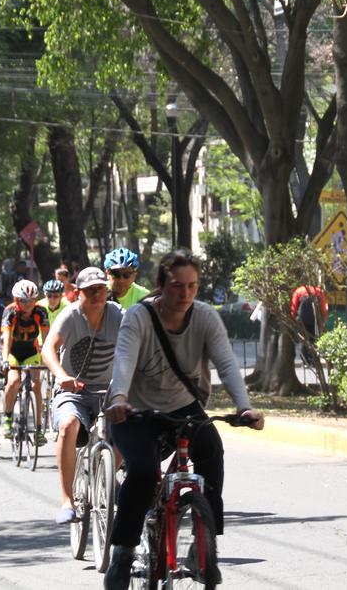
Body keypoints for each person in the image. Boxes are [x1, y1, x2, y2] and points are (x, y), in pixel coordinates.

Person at [103, 249, 264, 590]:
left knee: (212, 452)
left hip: (183, 407)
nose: (186, 294)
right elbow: (123, 362)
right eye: (177, 286)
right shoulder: (138, 317)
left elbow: (227, 363)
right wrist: (118, 399)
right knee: (144, 472)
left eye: (192, 286)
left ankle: (204, 547)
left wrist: (244, 407)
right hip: (134, 410)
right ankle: (123, 551)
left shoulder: (205, 317)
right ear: (161, 285)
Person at [41, 266, 122, 524]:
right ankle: (67, 500)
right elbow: (48, 349)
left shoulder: (119, 314)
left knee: (134, 426)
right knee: (69, 425)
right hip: (73, 391)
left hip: (109, 391)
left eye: (101, 289)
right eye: (90, 290)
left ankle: (107, 476)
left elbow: (139, 340)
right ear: (78, 293)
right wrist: (61, 375)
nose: (97, 294)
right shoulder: (70, 316)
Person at [1, 278, 49, 442]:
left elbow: (47, 338)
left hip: (31, 351)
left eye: (31, 300)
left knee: (36, 386)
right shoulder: (10, 312)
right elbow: (6, 338)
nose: (28, 304)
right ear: (16, 300)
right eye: (23, 301)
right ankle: (7, 417)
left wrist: (48, 359)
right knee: (13, 381)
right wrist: (5, 359)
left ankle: (39, 429)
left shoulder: (41, 312)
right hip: (13, 351)